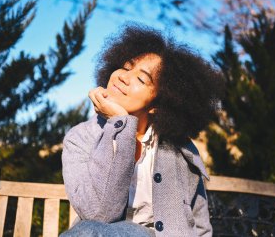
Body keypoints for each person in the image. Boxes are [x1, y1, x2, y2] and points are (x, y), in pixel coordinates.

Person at [61, 24, 224, 236]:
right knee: (87, 230)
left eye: (141, 79)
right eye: (126, 67)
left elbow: (200, 225)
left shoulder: (180, 152)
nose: (123, 77)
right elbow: (99, 214)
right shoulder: (80, 138)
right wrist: (120, 124)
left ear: (159, 103)